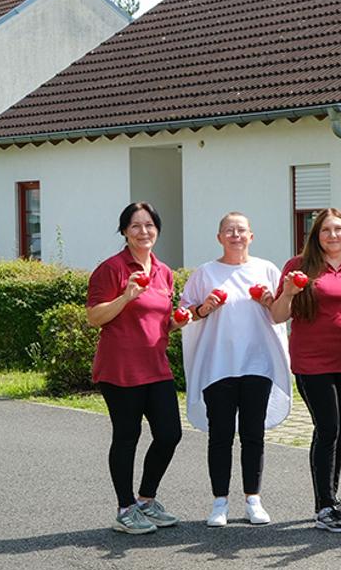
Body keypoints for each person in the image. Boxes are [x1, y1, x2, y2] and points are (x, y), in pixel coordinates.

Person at [271, 208, 341, 533]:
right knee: (327, 428)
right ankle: (324, 507)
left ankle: (332, 499)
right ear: (316, 236)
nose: (333, 235)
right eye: (326, 230)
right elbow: (277, 315)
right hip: (312, 361)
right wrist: (288, 293)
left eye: (338, 229)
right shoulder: (298, 266)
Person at [180, 212, 291, 528]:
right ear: (219, 237)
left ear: (251, 236)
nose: (235, 235)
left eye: (241, 230)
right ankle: (220, 502)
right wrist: (204, 308)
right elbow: (185, 312)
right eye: (229, 230)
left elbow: (282, 312)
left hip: (258, 363)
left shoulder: (266, 269)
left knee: (254, 434)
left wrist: (269, 301)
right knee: (221, 435)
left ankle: (253, 499)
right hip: (218, 364)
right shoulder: (205, 273)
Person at [86, 202, 186, 534]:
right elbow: (94, 317)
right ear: (124, 231)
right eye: (135, 226)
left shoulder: (163, 271)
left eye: (149, 225)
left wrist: (181, 321)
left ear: (157, 230)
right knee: (127, 435)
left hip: (156, 366)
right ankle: (125, 508)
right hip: (120, 368)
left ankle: (145, 499)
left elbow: (158, 322)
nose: (144, 232)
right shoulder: (111, 269)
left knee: (170, 434)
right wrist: (126, 296)